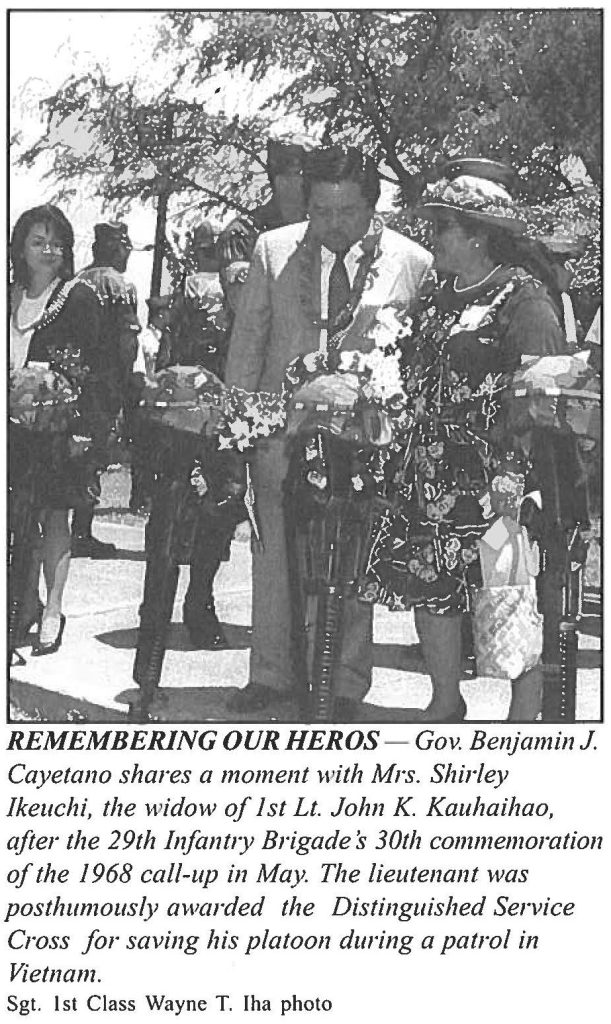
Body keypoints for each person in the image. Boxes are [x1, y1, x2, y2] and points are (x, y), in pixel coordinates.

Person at [224, 145, 433, 717]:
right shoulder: (273, 250)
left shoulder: (413, 264)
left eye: (346, 211)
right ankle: (271, 672)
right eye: (320, 211)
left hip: (365, 442)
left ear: (373, 204)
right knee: (273, 557)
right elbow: (247, 348)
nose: (333, 225)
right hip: (280, 433)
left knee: (350, 559)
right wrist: (241, 430)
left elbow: (417, 360)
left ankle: (342, 682)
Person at [360, 160, 569, 722]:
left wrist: (518, 481)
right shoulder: (435, 295)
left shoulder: (524, 301)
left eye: (443, 227)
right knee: (432, 585)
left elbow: (544, 394)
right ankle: (444, 699)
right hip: (428, 475)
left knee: (505, 589)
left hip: (497, 485)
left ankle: (525, 714)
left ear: (476, 235)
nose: (434, 239)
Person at [10, 204, 101, 654]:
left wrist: (87, 429)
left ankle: (53, 611)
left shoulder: (77, 298)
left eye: (56, 242)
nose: (48, 250)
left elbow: (104, 369)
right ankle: (23, 602)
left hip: (57, 432)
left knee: (52, 515)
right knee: (14, 518)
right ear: (20, 247)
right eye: (38, 241)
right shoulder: (9, 296)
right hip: (11, 434)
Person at [73, 221, 140, 557]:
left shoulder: (75, 280)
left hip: (73, 383)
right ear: (116, 246)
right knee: (93, 457)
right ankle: (81, 533)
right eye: (126, 247)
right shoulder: (119, 285)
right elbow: (127, 341)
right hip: (104, 386)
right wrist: (129, 384)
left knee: (71, 454)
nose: (128, 254)